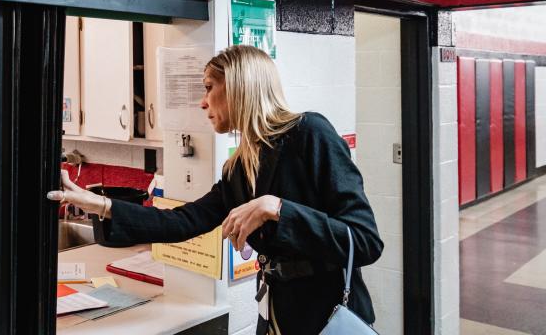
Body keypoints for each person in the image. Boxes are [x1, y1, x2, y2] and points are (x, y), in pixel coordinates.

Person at [47, 45, 382, 335]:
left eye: (209, 88)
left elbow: (365, 241)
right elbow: (181, 222)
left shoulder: (310, 133)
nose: (202, 102)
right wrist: (100, 205)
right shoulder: (238, 169)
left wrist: (277, 208)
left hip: (327, 316)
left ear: (238, 88)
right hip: (278, 315)